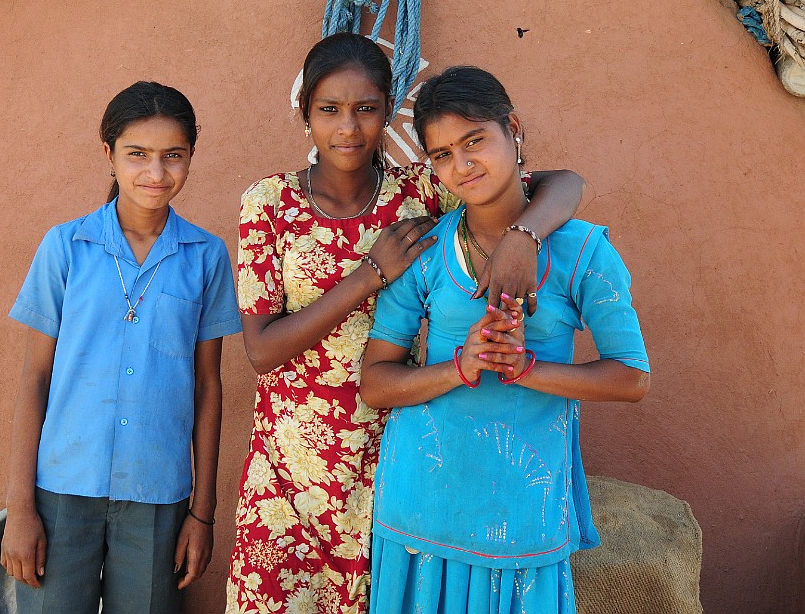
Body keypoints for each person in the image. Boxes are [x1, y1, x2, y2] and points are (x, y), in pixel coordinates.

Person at [226, 33, 586, 614]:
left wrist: (525, 237)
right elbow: (261, 351)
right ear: (305, 114)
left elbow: (563, 182)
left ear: (388, 114)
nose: (348, 128)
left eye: (366, 110)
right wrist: (371, 273)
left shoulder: (418, 192)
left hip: (391, 454)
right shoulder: (267, 204)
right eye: (329, 110)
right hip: (286, 471)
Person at [360, 66, 651, 614]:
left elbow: (631, 377)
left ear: (512, 129)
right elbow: (375, 384)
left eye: (475, 142)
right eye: (443, 155)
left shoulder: (582, 252)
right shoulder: (427, 251)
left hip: (524, 515)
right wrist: (459, 366)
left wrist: (525, 368)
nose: (463, 166)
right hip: (419, 510)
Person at [0, 82, 242, 614]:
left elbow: (208, 386)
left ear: (191, 157)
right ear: (108, 154)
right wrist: (20, 510)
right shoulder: (65, 247)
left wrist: (203, 513)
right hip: (63, 489)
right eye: (137, 154)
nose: (155, 174)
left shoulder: (206, 256)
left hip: (159, 493)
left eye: (172, 156)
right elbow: (34, 378)